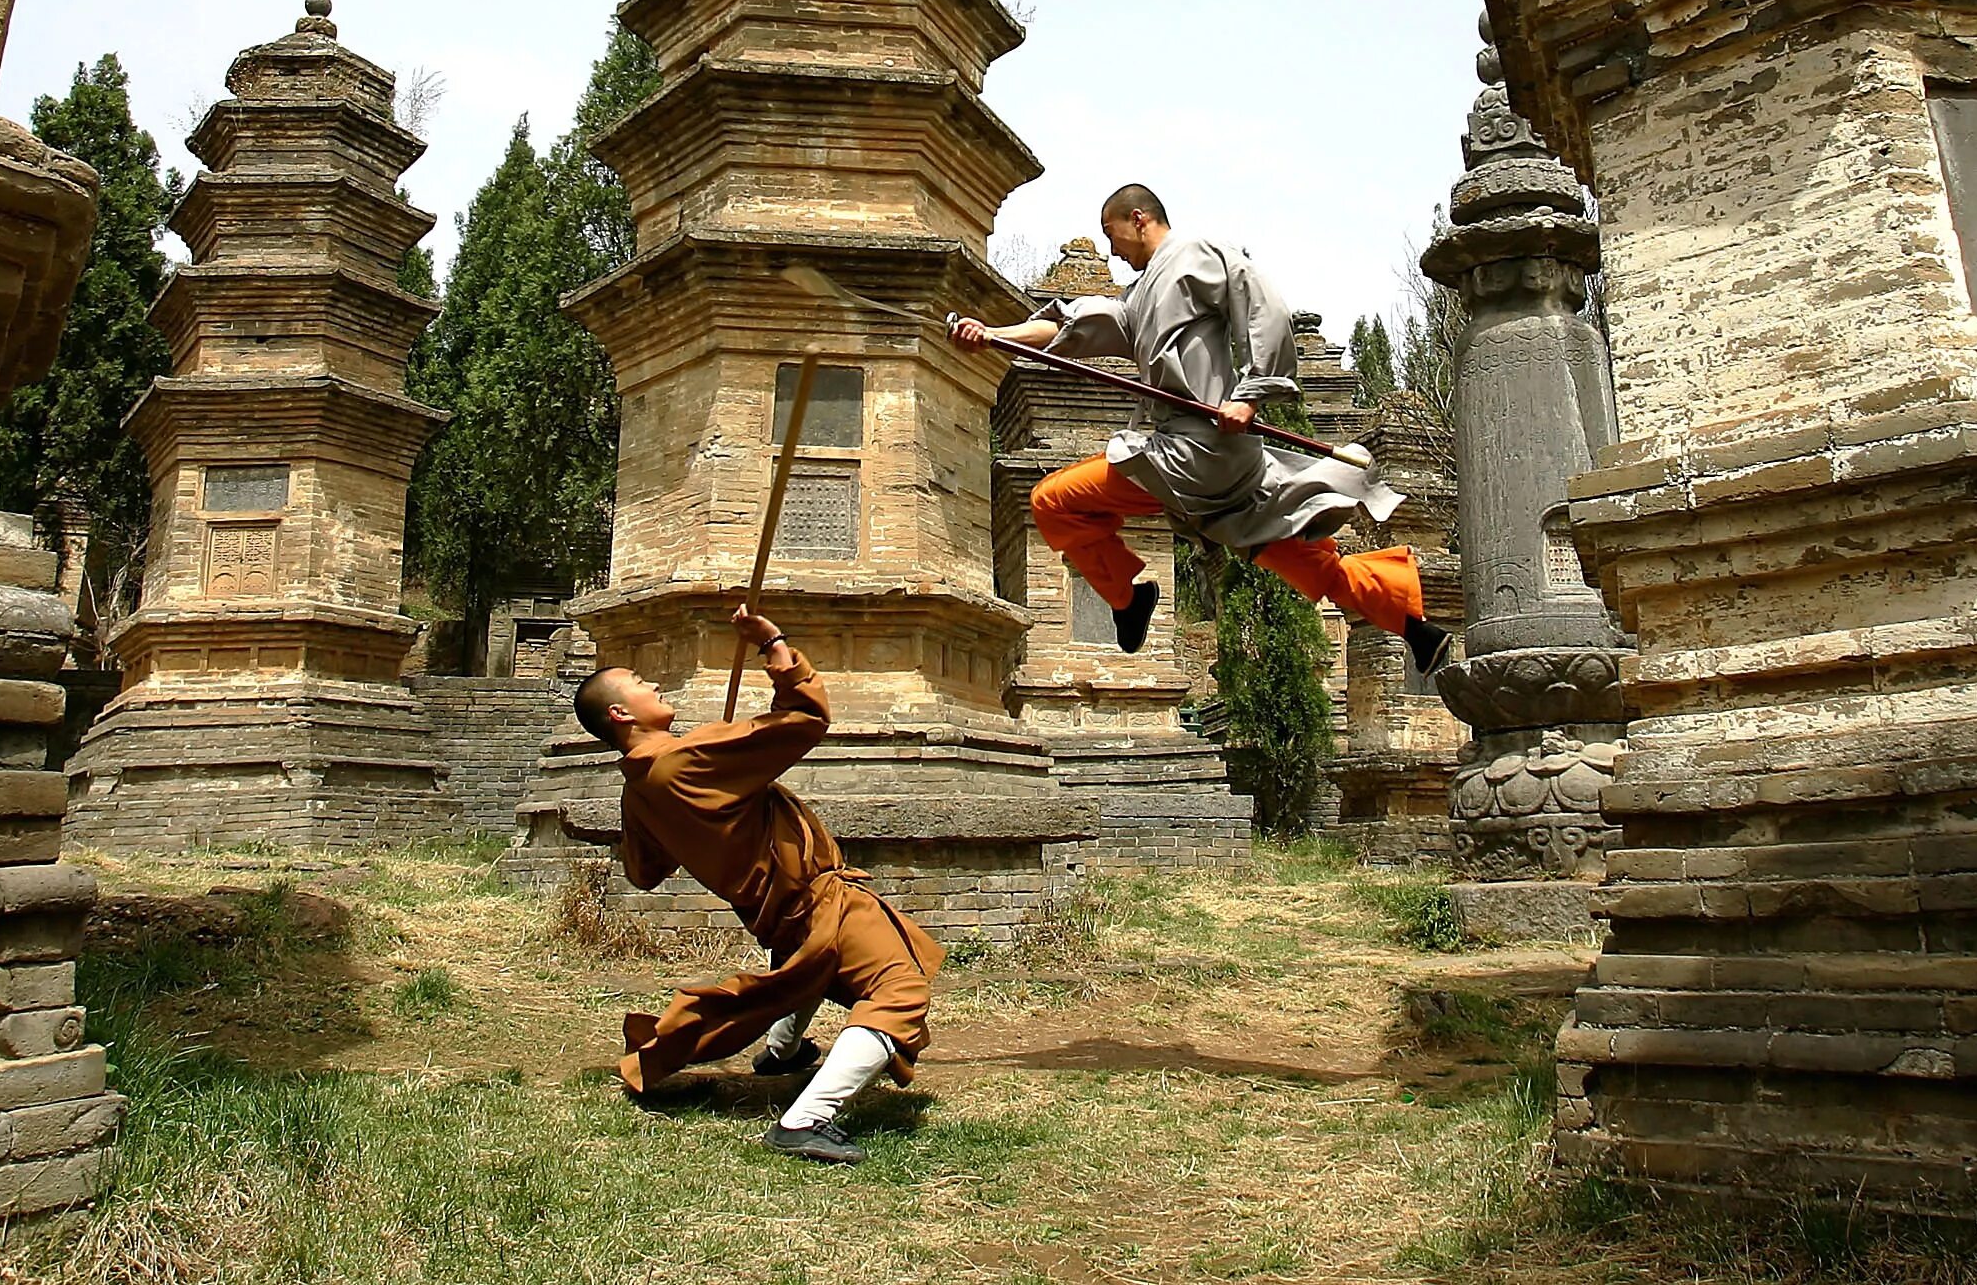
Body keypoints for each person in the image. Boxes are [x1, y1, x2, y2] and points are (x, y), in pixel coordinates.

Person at [951, 184, 1450, 674]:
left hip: (1196, 452)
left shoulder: (1194, 254)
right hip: (1217, 470)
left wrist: (1251, 393)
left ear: (1139, 219)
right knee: (1310, 564)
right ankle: (1414, 627)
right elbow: (1067, 327)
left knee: (1053, 501)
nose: (1113, 251)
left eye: (1113, 234)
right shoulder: (1137, 298)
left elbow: (1260, 302)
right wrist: (994, 334)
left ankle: (1128, 597)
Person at [573, 606, 943, 1165]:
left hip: (776, 913)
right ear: (623, 713)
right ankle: (805, 1120)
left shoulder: (641, 789)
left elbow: (645, 872)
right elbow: (804, 718)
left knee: (805, 973)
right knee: (899, 993)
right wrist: (773, 643)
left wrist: (706, 821)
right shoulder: (684, 760)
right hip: (818, 902)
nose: (655, 684)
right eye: (642, 684)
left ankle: (781, 1052)